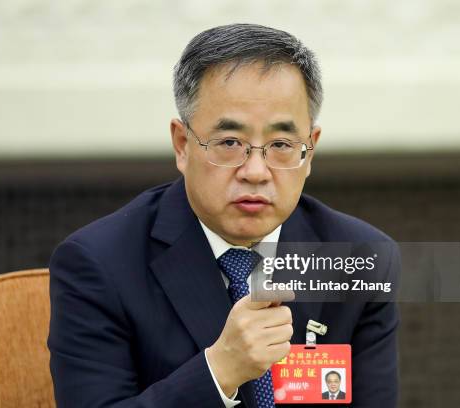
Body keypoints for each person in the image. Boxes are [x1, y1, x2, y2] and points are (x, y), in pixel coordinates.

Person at [48, 23, 400, 408]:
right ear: (182, 145)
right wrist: (220, 371)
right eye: (230, 143)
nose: (255, 171)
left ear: (309, 151)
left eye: (281, 144)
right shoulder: (98, 263)